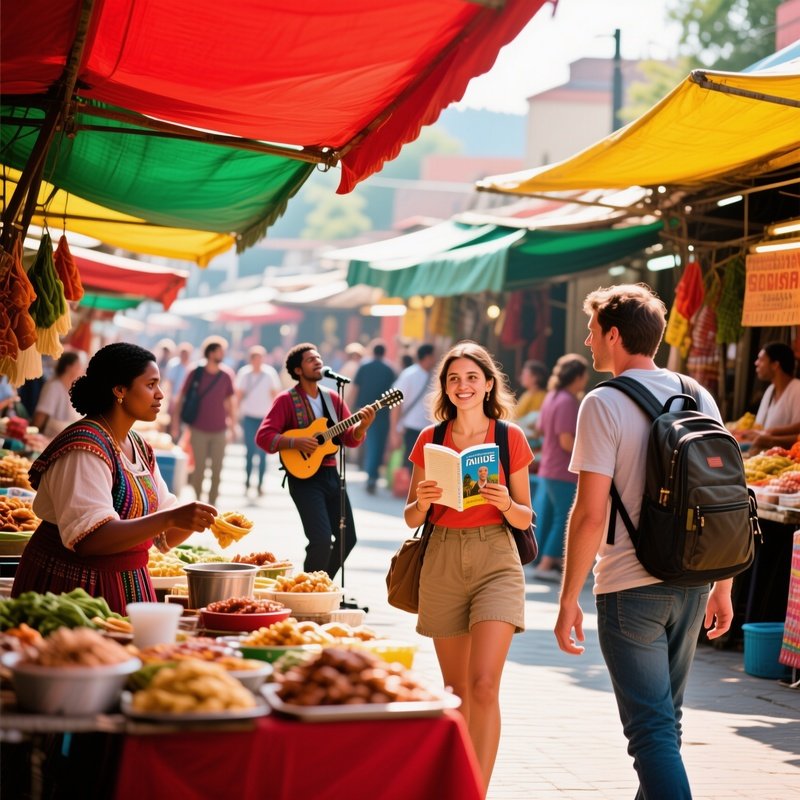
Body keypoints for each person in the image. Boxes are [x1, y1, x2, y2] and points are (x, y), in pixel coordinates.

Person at [554, 284, 733, 800]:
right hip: (693, 581)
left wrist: (568, 600)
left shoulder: (602, 403)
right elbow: (722, 499)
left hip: (630, 587)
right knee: (663, 726)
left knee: (651, 732)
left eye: (592, 332)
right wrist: (721, 587)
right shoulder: (697, 394)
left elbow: (589, 515)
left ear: (614, 334)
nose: (589, 343)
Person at [404, 341, 533, 794]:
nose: (463, 386)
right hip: (442, 557)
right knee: (456, 689)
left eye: (472, 378)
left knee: (483, 686)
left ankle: (476, 790)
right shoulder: (430, 439)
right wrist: (421, 501)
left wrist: (506, 503)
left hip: (496, 558)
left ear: (489, 384)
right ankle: (456, 784)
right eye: (454, 379)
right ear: (444, 387)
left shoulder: (508, 437)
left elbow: (526, 517)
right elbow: (411, 517)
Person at [12, 343, 217, 614]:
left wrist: (196, 519)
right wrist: (170, 518)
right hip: (71, 592)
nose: (160, 394)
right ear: (120, 390)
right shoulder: (84, 447)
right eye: (151, 385)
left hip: (130, 585)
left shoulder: (139, 447)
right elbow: (90, 540)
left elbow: (164, 536)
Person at [255, 343, 376, 578]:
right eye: (311, 359)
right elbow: (263, 437)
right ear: (298, 370)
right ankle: (307, 591)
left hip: (332, 475)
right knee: (320, 540)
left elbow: (348, 439)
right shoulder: (286, 400)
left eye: (319, 357)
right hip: (304, 479)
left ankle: (320, 584)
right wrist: (295, 442)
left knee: (347, 537)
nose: (318, 361)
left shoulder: (332, 399)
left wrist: (362, 428)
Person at [530, 354, 588, 581]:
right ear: (578, 376)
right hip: (563, 470)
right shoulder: (567, 401)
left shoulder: (552, 397)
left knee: (551, 515)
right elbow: (566, 441)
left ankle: (550, 561)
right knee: (563, 518)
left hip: (548, 466)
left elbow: (541, 429)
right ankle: (547, 563)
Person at [171, 336, 237, 506]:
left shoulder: (226, 375)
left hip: (219, 429)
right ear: (211, 352)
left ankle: (212, 503)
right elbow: (181, 398)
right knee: (198, 468)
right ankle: (199, 502)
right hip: (198, 428)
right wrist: (176, 424)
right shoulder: (195, 372)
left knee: (217, 469)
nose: (223, 354)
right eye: (220, 350)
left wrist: (233, 426)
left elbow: (231, 402)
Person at [737, 342, 800, 451]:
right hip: (765, 452)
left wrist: (770, 435)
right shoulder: (770, 390)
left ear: (775, 365)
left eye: (761, 360)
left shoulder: (797, 389)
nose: (756, 363)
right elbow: (761, 428)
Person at [236, 345, 282, 496]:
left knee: (263, 453)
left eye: (260, 358)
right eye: (255, 358)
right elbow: (239, 395)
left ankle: (260, 484)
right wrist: (236, 415)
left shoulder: (269, 374)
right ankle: (248, 481)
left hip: (264, 419)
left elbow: (275, 396)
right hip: (249, 417)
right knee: (249, 452)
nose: (258, 361)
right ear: (251, 359)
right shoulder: (245, 374)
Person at [352, 340, 396, 494]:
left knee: (369, 443)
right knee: (378, 445)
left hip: (363, 411)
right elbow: (393, 394)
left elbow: (355, 388)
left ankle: (370, 475)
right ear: (384, 352)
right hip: (382, 413)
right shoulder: (389, 369)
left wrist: (351, 407)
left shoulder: (364, 366)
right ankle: (372, 476)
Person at [390, 343, 437, 462]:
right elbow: (397, 403)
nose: (436, 359)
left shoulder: (434, 376)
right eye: (434, 356)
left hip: (429, 429)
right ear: (427, 357)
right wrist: (394, 431)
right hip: (410, 428)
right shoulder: (409, 374)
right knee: (410, 464)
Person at [31, 351, 86, 438]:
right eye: (78, 367)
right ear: (69, 367)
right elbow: (40, 416)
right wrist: (32, 435)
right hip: (49, 439)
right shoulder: (54, 387)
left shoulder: (74, 390)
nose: (82, 371)